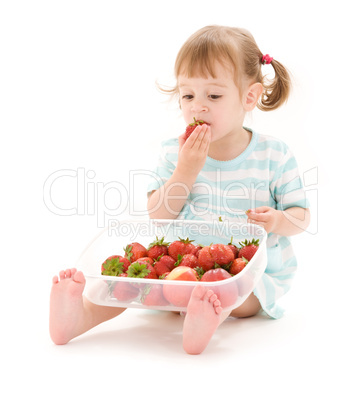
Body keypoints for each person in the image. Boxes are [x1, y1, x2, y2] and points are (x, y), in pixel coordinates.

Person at [50, 25, 310, 355]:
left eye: (213, 96)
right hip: (177, 266)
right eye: (188, 95)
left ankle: (206, 317)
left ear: (250, 96)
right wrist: (185, 171)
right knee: (132, 283)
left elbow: (301, 216)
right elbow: (158, 215)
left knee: (239, 295)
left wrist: (276, 221)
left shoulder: (274, 155)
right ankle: (82, 315)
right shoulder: (175, 152)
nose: (197, 107)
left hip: (245, 273)